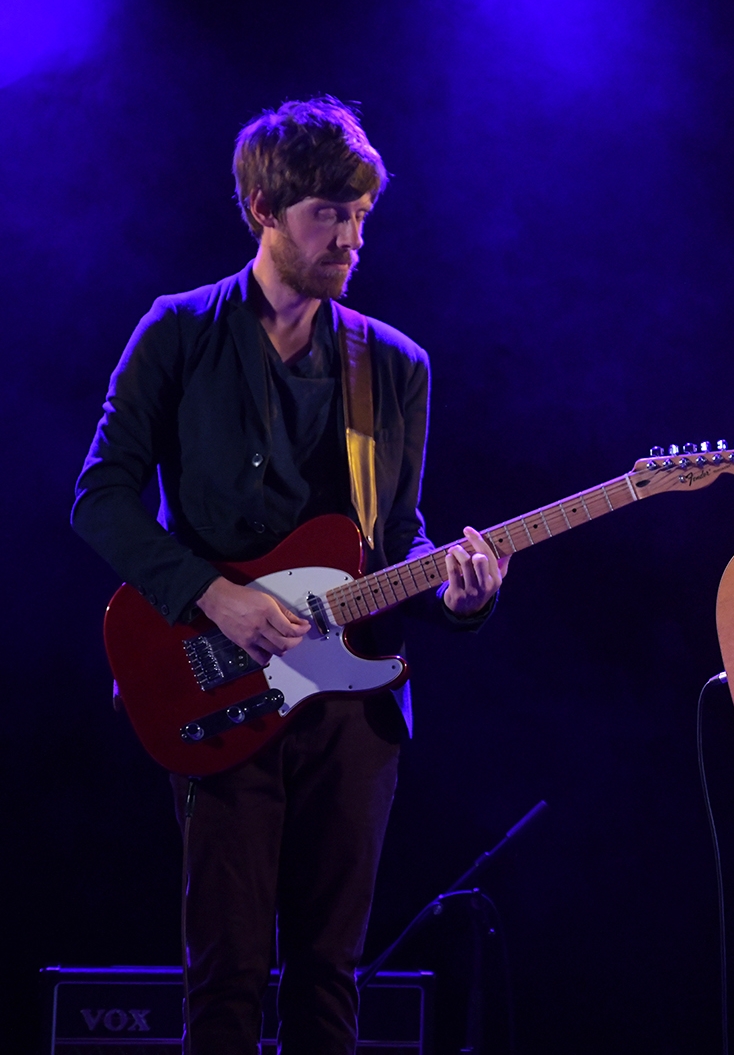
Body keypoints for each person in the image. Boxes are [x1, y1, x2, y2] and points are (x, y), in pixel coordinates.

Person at [71, 96, 508, 1054]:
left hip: (352, 710)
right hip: (216, 685)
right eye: (327, 214)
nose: (352, 237)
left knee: (329, 979)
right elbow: (97, 498)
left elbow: (397, 539)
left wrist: (458, 596)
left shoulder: (394, 367)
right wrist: (213, 595)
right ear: (264, 208)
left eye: (361, 215)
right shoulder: (177, 333)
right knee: (222, 976)